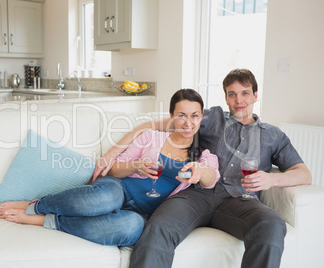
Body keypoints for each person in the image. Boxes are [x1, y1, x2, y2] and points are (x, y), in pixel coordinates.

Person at [93, 69, 312, 268]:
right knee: (159, 227)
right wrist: (112, 153)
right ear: (225, 97)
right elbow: (149, 126)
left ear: (255, 95)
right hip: (194, 194)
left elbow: (304, 173)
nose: (239, 100)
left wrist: (272, 180)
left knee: (271, 223)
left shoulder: (274, 135)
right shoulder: (211, 118)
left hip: (240, 202)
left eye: (245, 93)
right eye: (232, 94)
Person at [0, 89, 220, 247]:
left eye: (194, 116)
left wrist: (200, 172)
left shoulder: (203, 156)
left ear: (201, 118)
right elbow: (113, 171)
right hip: (117, 188)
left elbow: (211, 178)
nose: (188, 123)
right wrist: (135, 166)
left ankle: (48, 221)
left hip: (142, 213)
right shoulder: (151, 137)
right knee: (105, 200)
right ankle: (36, 206)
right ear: (171, 116)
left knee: (130, 229)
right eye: (181, 115)